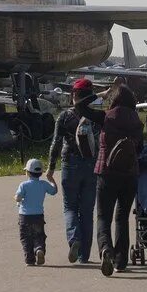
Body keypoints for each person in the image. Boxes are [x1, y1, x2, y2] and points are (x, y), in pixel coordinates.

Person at [76, 84, 143, 277]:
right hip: (129, 174)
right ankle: (120, 261)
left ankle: (105, 249)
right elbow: (140, 149)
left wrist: (99, 95)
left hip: (106, 172)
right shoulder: (136, 120)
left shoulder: (106, 117)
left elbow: (79, 106)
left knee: (103, 217)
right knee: (122, 218)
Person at [46, 78, 99, 264]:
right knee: (87, 211)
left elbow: (55, 143)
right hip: (91, 165)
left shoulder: (64, 116)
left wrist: (51, 167)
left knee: (70, 207)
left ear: (73, 95)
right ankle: (84, 255)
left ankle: (74, 239)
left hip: (70, 163)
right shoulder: (96, 116)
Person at [14, 158, 58, 266]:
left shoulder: (23, 185)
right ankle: (39, 249)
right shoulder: (43, 184)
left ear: (28, 173)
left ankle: (30, 260)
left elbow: (18, 197)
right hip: (38, 216)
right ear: (41, 173)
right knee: (39, 235)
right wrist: (51, 179)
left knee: (26, 238)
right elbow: (54, 191)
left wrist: (17, 198)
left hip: (24, 216)